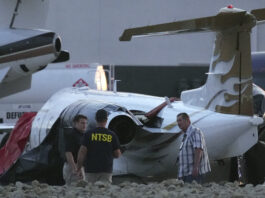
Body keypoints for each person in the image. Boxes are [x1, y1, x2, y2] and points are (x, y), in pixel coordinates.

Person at [77, 109, 121, 183]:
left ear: (96, 119)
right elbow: (117, 154)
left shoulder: (88, 134)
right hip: (106, 170)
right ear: (106, 119)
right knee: (103, 192)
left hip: (90, 170)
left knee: (90, 192)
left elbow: (82, 153)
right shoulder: (112, 135)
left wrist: (79, 168)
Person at [177, 112, 211, 183]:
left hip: (193, 173)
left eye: (180, 120)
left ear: (187, 120)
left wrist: (196, 168)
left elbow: (198, 149)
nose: (178, 123)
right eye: (177, 121)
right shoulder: (185, 135)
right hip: (186, 173)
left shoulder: (195, 131)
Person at [63, 114, 87, 185]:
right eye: (82, 123)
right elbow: (68, 153)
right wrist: (74, 169)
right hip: (73, 167)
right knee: (73, 189)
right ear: (75, 123)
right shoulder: (72, 135)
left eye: (86, 123)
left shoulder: (83, 135)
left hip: (80, 166)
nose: (84, 125)